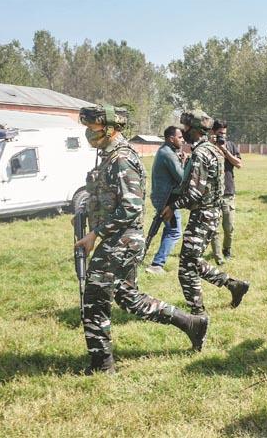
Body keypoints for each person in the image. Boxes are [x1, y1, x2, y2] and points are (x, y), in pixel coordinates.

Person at [74, 105, 208, 375]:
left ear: (111, 128)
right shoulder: (108, 156)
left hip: (121, 241)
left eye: (93, 128)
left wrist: (94, 234)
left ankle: (102, 365)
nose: (89, 133)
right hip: (118, 238)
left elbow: (131, 207)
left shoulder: (122, 158)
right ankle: (191, 323)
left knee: (94, 301)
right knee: (128, 297)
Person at [163, 109, 250, 316]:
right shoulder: (212, 150)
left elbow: (195, 193)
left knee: (186, 269)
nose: (182, 131)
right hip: (211, 214)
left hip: (203, 215)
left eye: (185, 128)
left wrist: (172, 207)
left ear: (193, 130)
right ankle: (234, 285)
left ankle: (198, 315)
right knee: (193, 261)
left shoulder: (202, 154)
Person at [145, 125, 186, 274]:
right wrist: (185, 164)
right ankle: (157, 265)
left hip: (162, 197)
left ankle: (155, 261)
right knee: (174, 231)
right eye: (180, 137)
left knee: (169, 230)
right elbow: (182, 178)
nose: (182, 140)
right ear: (171, 138)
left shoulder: (166, 151)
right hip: (166, 199)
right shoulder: (168, 154)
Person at [208, 120, 242, 265]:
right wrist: (211, 145)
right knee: (213, 229)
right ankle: (218, 258)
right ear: (213, 133)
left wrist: (225, 151)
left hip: (228, 192)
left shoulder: (231, 146)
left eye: (224, 134)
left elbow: (239, 164)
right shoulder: (208, 147)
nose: (222, 136)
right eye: (220, 133)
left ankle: (226, 250)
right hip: (212, 193)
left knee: (229, 227)